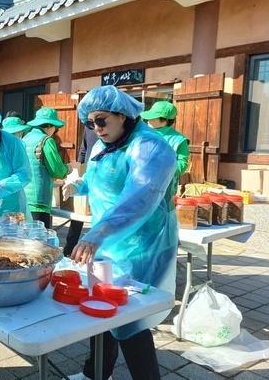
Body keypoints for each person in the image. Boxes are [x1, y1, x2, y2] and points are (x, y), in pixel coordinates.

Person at [61, 85, 177, 380]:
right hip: (108, 242)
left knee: (130, 320)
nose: (96, 129)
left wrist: (97, 234)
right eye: (89, 123)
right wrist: (79, 185)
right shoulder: (104, 144)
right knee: (101, 307)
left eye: (101, 120)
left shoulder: (150, 147)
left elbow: (139, 199)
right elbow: (102, 178)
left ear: (123, 115)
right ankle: (95, 373)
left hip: (142, 245)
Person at [23, 107, 71, 228]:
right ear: (49, 126)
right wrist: (67, 169)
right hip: (39, 201)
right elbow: (57, 171)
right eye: (55, 128)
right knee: (38, 242)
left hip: (22, 199)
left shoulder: (24, 139)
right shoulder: (46, 140)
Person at [141, 100, 190, 197]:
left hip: (165, 186)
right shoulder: (143, 134)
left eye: (153, 117)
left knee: (161, 210)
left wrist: (164, 171)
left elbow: (182, 163)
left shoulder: (179, 140)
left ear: (165, 120)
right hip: (141, 182)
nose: (148, 120)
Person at [63, 127, 99, 257]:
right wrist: (79, 175)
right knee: (79, 212)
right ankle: (70, 247)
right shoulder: (89, 127)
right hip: (88, 170)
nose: (97, 127)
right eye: (91, 121)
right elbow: (83, 150)